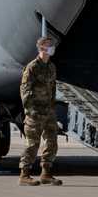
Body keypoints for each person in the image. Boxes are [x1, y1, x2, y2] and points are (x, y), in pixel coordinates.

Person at [18, 35, 62, 186]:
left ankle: (46, 173)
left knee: (52, 141)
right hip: (35, 112)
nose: (52, 48)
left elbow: (53, 88)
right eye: (49, 45)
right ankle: (24, 174)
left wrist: (52, 107)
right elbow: (25, 90)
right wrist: (30, 110)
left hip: (48, 111)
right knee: (32, 143)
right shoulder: (32, 67)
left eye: (52, 46)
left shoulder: (51, 67)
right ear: (42, 48)